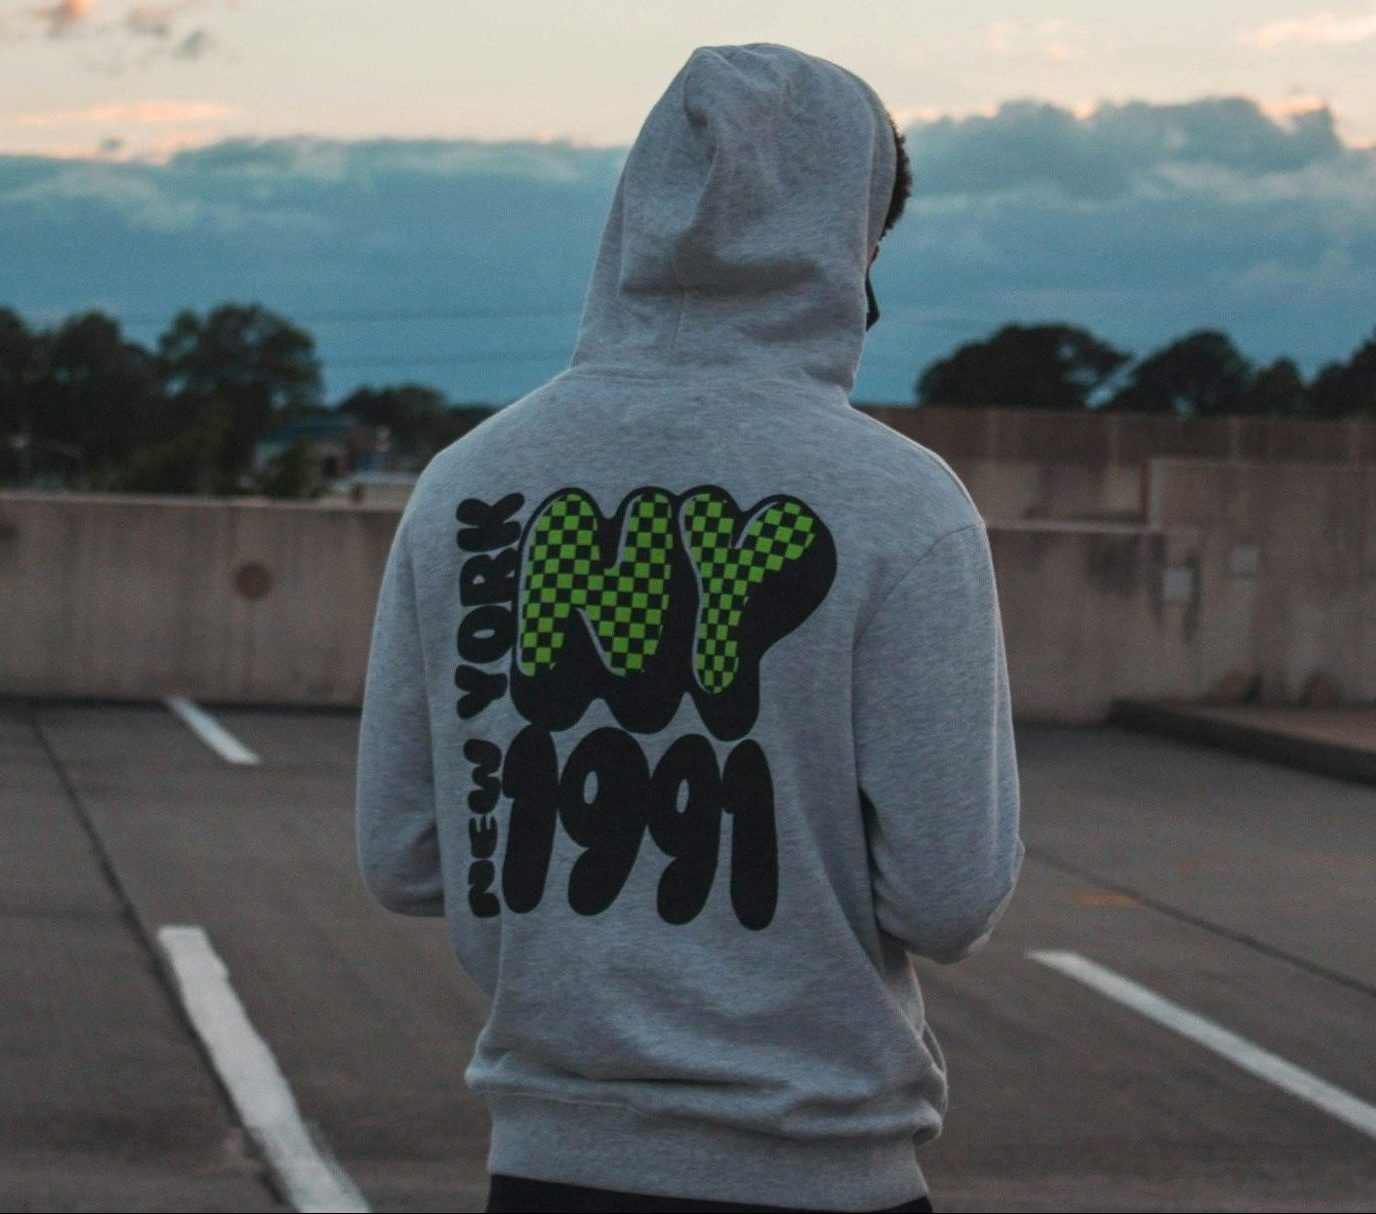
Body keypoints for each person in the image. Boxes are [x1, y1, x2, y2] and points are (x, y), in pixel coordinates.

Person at [355, 41, 1024, 1214]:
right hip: (822, 1173)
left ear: (637, 215)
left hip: (547, 1166)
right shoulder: (900, 502)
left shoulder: (469, 484)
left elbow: (406, 854)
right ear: (847, 243)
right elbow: (947, 892)